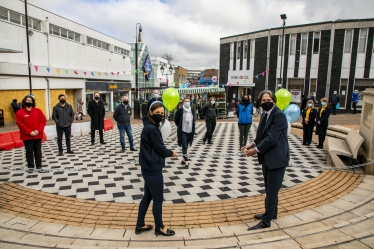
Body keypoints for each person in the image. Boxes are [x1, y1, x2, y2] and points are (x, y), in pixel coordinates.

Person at [241, 90, 289, 230]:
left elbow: (271, 138)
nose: (266, 102)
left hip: (277, 158)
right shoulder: (264, 114)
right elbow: (261, 135)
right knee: (270, 189)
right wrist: (252, 144)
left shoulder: (279, 115)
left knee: (272, 190)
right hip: (267, 158)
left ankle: (266, 221)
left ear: (274, 100)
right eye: (263, 101)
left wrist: (255, 151)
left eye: (268, 100)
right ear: (260, 102)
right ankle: (272, 213)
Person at [136, 101, 178, 236]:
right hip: (153, 168)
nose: (160, 115)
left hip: (147, 167)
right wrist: (171, 153)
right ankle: (160, 227)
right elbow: (160, 148)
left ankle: (140, 224)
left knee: (147, 197)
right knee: (158, 200)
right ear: (150, 113)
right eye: (157, 113)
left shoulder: (150, 125)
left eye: (162, 113)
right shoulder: (151, 129)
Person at [16, 95, 47, 173]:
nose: (29, 102)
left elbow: (43, 121)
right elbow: (20, 124)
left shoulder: (38, 111)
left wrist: (38, 131)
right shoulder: (20, 112)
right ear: (24, 101)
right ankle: (30, 166)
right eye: (28, 100)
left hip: (37, 135)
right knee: (29, 151)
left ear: (33, 102)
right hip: (27, 136)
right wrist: (29, 132)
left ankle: (39, 166)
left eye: (30, 101)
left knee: (38, 151)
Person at [174, 97, 196, 168]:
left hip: (189, 131)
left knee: (186, 146)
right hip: (182, 130)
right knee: (184, 146)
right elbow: (176, 120)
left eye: (188, 101)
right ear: (183, 102)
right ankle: (186, 162)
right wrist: (180, 126)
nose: (187, 103)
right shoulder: (180, 110)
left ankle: (183, 159)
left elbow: (193, 120)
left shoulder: (192, 110)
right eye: (185, 101)